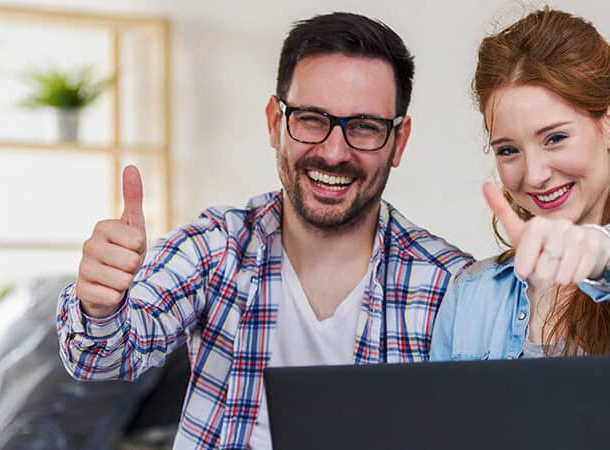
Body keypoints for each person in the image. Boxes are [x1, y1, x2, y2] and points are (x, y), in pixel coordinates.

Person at [57, 12, 473, 449]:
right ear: (275, 121)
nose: (334, 152)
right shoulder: (215, 247)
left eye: (364, 127)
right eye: (312, 119)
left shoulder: (450, 284)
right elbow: (100, 359)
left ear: (399, 141)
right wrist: (100, 308)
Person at [430, 7, 610, 362]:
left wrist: (600, 255)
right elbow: (444, 418)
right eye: (509, 150)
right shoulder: (471, 294)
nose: (534, 175)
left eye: (555, 138)